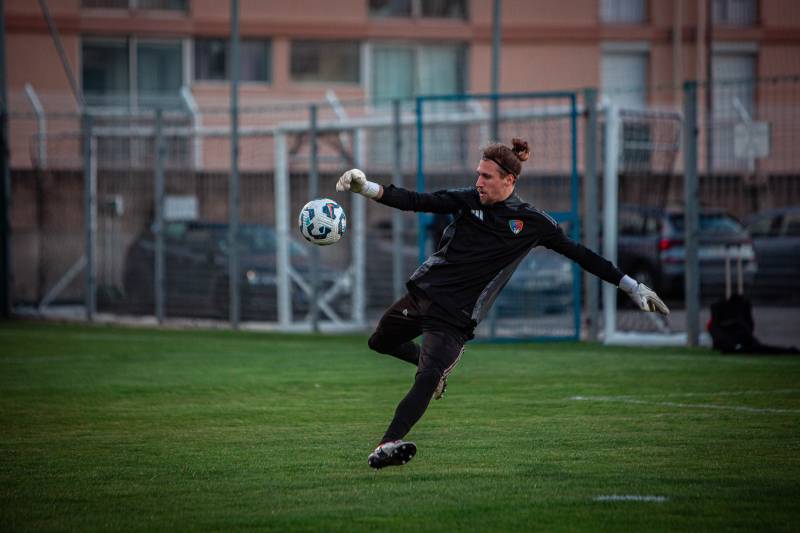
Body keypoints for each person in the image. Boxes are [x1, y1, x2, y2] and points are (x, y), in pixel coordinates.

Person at [336, 138, 669, 470]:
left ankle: (388, 443)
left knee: (427, 375)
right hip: (424, 294)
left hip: (456, 317)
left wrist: (631, 285)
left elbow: (581, 255)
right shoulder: (469, 200)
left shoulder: (533, 222)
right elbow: (417, 201)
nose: (479, 182)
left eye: (487, 176)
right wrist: (366, 187)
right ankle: (429, 373)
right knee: (379, 341)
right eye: (478, 174)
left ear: (510, 180)